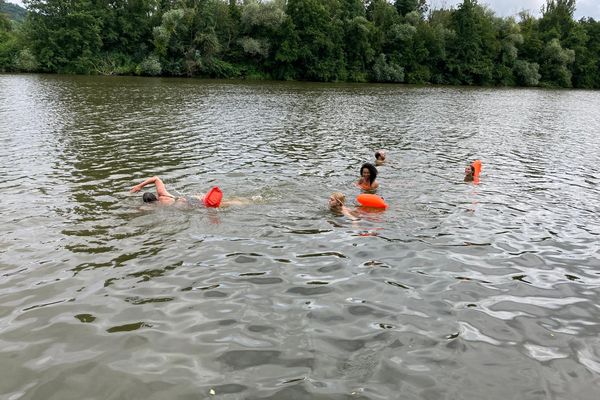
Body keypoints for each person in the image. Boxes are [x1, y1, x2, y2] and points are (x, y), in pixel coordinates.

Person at [130, 176, 246, 208]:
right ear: (154, 195)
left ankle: (244, 203)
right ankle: (243, 200)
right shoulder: (162, 193)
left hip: (188, 204)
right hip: (189, 198)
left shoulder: (157, 205)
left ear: (148, 203)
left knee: (219, 206)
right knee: (221, 203)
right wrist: (140, 186)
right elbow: (156, 178)